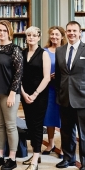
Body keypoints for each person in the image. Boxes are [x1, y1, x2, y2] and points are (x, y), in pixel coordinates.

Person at [0, 20, 23, 170]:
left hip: (9, 93)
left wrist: (13, 93)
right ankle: (0, 156)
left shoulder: (15, 49)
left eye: (4, 30)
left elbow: (18, 73)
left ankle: (12, 159)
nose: (1, 33)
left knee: (10, 126)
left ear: (9, 32)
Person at [55, 21, 85, 170]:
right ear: (65, 33)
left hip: (82, 98)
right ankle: (68, 158)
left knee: (83, 134)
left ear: (80, 32)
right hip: (65, 97)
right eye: (69, 31)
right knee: (66, 132)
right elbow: (60, 75)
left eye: (74, 30)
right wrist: (59, 94)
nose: (71, 33)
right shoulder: (60, 51)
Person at [20, 26, 51, 170]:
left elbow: (46, 78)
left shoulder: (43, 54)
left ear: (39, 37)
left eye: (34, 35)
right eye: (28, 35)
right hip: (25, 94)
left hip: (39, 95)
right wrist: (23, 93)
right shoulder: (22, 52)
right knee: (30, 126)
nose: (31, 38)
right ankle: (34, 155)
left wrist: (35, 94)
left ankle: (35, 160)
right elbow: (18, 75)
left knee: (37, 127)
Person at [42, 26, 67, 158]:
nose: (54, 37)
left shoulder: (66, 50)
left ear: (62, 36)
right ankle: (50, 143)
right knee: (50, 117)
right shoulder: (44, 51)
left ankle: (63, 146)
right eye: (52, 34)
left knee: (63, 119)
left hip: (63, 89)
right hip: (49, 89)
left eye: (57, 35)